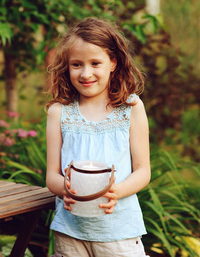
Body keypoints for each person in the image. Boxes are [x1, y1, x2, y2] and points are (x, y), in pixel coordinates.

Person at [45, 17, 151, 257]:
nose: (86, 73)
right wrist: (66, 189)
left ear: (113, 62)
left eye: (95, 63)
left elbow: (143, 171)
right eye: (76, 64)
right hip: (70, 233)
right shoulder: (58, 113)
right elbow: (52, 175)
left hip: (119, 232)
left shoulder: (131, 108)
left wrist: (117, 192)